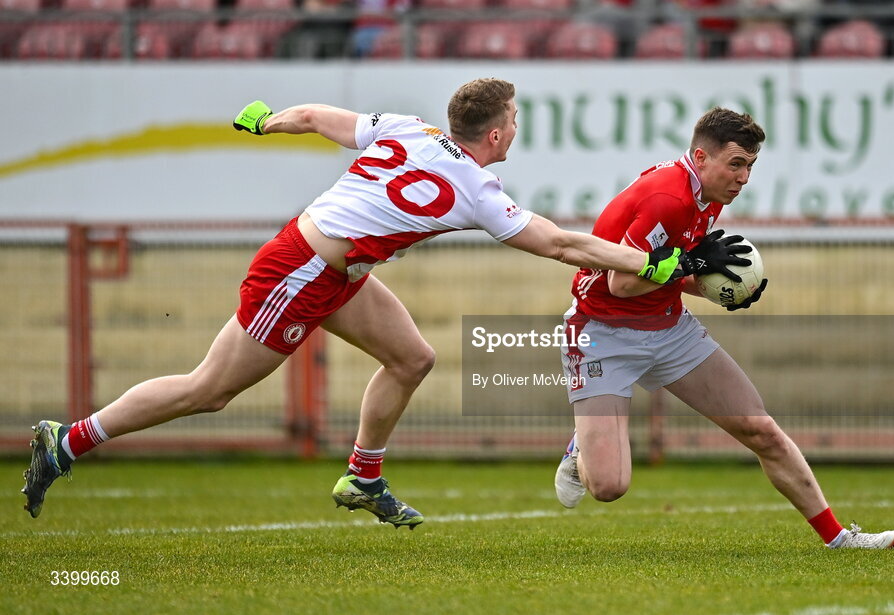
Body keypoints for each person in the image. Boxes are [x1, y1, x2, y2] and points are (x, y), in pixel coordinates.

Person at [22, 78, 690, 528]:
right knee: (209, 390)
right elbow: (562, 245)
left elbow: (312, 117)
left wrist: (265, 122)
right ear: (493, 134)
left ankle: (362, 478)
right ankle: (70, 439)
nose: (515, 129)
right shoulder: (479, 189)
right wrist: (651, 261)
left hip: (338, 270)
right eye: (512, 120)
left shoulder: (410, 128)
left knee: (411, 357)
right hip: (300, 272)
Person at [553, 106, 894, 549]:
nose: (743, 177)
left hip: (668, 326)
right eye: (735, 164)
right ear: (701, 157)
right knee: (609, 486)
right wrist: (698, 264)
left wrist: (716, 289)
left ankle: (839, 539)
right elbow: (621, 284)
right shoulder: (669, 197)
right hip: (602, 332)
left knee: (762, 431)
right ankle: (580, 446)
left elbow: (668, 273)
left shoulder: (710, 193)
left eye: (750, 166)